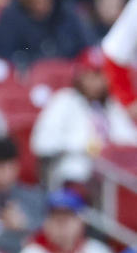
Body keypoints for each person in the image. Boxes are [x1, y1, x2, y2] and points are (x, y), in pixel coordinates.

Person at [32, 47, 137, 188]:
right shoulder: (64, 100)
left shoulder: (113, 105)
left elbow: (130, 140)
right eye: (91, 75)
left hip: (110, 175)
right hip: (74, 168)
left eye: (101, 75)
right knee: (77, 170)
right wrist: (82, 146)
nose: (97, 81)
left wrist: (108, 149)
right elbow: (42, 143)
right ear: (80, 75)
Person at [9, 190, 121, 253]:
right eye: (55, 218)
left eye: (67, 218)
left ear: (81, 221)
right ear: (45, 223)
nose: (61, 224)